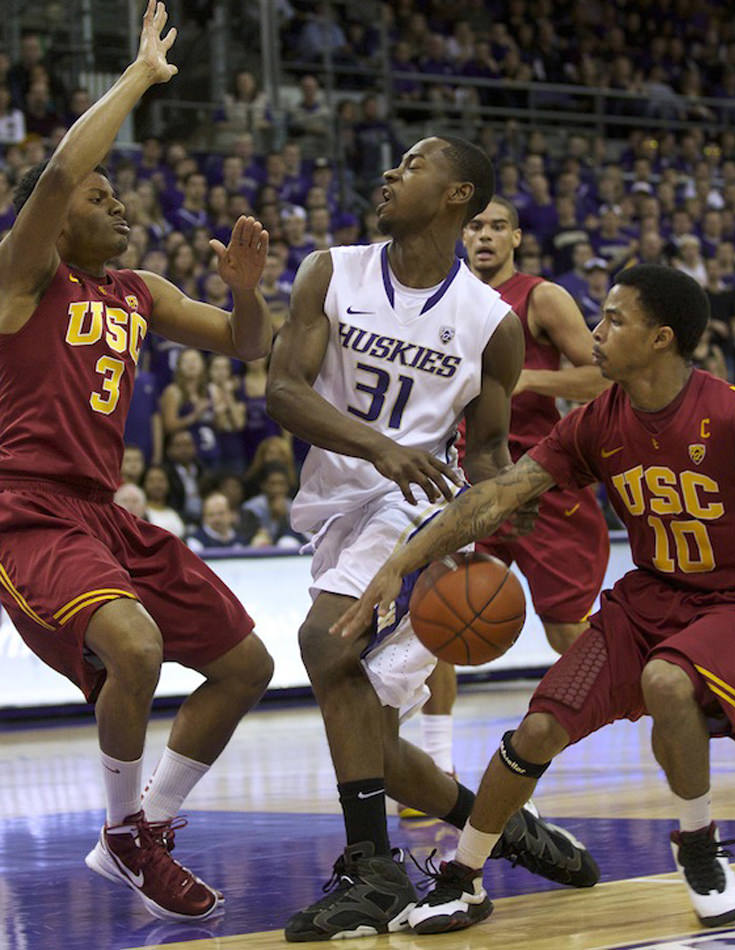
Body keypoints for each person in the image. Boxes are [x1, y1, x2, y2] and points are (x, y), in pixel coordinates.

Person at [336, 264, 735, 934]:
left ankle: (698, 847)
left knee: (667, 682)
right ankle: (462, 878)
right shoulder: (596, 423)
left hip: (734, 602)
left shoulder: (733, 416)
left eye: (616, 318)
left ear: (661, 339)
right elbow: (496, 496)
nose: (597, 330)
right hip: (649, 598)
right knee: (536, 730)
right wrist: (401, 563)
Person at [267, 135, 597, 942]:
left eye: (413, 166)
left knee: (324, 644)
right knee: (370, 728)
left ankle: (373, 871)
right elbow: (281, 391)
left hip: (418, 508)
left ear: (457, 195)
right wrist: (379, 444)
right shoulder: (331, 271)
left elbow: (484, 450)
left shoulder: (493, 322)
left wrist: (501, 498)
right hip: (341, 501)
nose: (390, 174)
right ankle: (507, 827)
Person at [0, 1, 274, 922]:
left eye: (119, 194)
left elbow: (244, 347)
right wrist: (138, 78)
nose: (114, 199)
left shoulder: (140, 291)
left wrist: (246, 296)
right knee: (136, 646)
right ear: (55, 215)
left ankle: (142, 827)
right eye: (99, 194)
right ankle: (123, 831)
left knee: (247, 665)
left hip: (106, 512)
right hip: (25, 505)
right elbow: (57, 174)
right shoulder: (22, 277)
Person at [407, 195, 610, 810]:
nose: (485, 236)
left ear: (517, 236)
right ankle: (436, 771)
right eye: (475, 226)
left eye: (497, 226)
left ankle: (642, 707)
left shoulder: (542, 297)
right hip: (470, 481)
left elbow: (600, 377)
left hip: (541, 480)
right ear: (459, 234)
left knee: (566, 631)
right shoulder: (444, 298)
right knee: (434, 616)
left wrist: (523, 378)